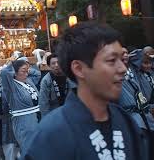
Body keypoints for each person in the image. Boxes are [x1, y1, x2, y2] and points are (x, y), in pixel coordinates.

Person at [23, 22, 144, 159]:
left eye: (122, 59)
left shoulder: (125, 121)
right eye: (111, 60)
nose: (122, 68)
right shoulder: (51, 134)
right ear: (79, 69)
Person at [119, 48, 154, 160]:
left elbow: (140, 54)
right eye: (121, 53)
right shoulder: (115, 71)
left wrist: (126, 55)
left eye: (126, 52)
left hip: (146, 114)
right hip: (132, 117)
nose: (124, 55)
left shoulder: (133, 69)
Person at [0, 59, 40, 152]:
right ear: (15, 72)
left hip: (37, 117)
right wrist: (12, 64)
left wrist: (26, 66)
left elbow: (37, 74)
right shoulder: (11, 86)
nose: (26, 73)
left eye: (27, 71)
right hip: (23, 121)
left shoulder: (29, 81)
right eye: (23, 71)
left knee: (39, 149)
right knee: (29, 150)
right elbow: (4, 73)